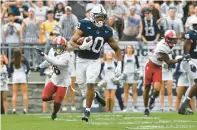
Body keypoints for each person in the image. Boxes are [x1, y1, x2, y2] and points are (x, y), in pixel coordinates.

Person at [68, 6, 122, 122]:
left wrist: (119, 64)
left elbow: (117, 49)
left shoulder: (107, 31)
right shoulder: (84, 25)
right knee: (83, 89)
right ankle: (96, 95)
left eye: (102, 17)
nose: (100, 20)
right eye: (98, 17)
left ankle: (87, 112)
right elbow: (71, 42)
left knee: (90, 82)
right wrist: (80, 46)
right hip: (81, 60)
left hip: (94, 60)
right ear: (92, 17)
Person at [143, 30, 188, 116]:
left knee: (157, 89)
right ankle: (146, 108)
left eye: (173, 39)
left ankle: (152, 98)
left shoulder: (167, 44)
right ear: (166, 39)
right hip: (150, 65)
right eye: (170, 39)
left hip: (158, 67)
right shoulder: (162, 46)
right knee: (147, 87)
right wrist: (182, 58)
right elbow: (168, 61)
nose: (172, 41)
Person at [36, 36, 71, 120]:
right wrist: (40, 66)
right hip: (54, 78)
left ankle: (54, 113)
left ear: (64, 46)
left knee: (57, 103)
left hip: (63, 81)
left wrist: (43, 55)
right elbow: (48, 60)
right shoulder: (52, 50)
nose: (58, 48)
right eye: (56, 46)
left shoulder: (66, 56)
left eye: (60, 46)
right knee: (44, 97)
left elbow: (55, 61)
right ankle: (57, 98)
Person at [178, 19, 197, 115]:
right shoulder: (190, 33)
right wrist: (189, 60)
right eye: (195, 25)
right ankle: (185, 103)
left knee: (193, 86)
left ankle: (183, 107)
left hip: (195, 61)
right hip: (190, 61)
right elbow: (186, 47)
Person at [9, 48, 29, 114]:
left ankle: (14, 109)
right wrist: (26, 73)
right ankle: (25, 109)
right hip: (22, 75)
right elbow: (28, 68)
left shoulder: (12, 61)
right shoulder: (23, 60)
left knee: (14, 94)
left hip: (15, 75)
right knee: (25, 93)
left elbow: (10, 70)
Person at [122, 45, 139, 112]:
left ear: (132, 49)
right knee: (126, 92)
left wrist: (137, 73)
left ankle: (134, 107)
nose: (129, 49)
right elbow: (122, 67)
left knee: (134, 91)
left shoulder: (135, 56)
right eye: (128, 48)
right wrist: (122, 75)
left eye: (130, 48)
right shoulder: (123, 57)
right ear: (126, 49)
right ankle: (125, 107)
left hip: (133, 76)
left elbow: (137, 66)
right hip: (126, 76)